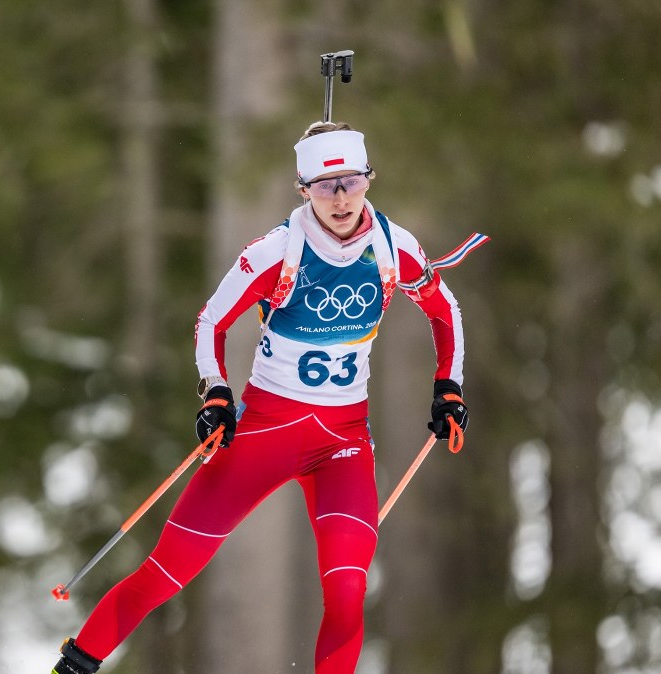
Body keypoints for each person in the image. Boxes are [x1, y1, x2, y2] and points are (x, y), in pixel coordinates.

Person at [52, 121, 471, 674]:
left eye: (349, 181)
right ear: (303, 189)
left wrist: (448, 386)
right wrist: (216, 394)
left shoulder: (395, 246)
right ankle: (75, 666)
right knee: (168, 571)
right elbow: (211, 322)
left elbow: (447, 311)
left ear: (369, 180)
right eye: (325, 186)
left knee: (347, 589)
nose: (340, 198)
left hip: (343, 443)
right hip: (263, 434)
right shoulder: (278, 250)